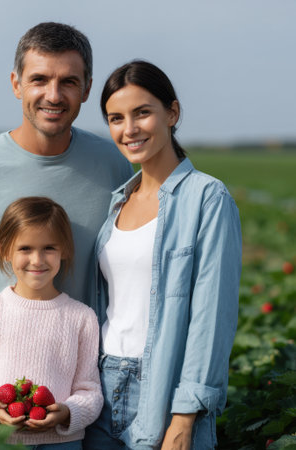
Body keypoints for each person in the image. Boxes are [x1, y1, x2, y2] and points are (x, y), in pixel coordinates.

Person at [0, 22, 133, 376]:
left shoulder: (115, 166)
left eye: (68, 81)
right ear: (16, 84)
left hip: (98, 385)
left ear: (86, 89)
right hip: (4, 389)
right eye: (39, 79)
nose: (53, 95)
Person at [83, 60, 242, 450]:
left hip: (163, 391)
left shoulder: (207, 198)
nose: (129, 129)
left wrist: (185, 414)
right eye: (116, 118)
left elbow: (212, 317)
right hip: (101, 387)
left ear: (172, 113)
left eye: (142, 113)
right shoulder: (117, 203)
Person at [0, 197, 103, 449]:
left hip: (61, 443)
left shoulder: (81, 317)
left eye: (49, 248)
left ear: (65, 250)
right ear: (5, 251)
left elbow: (90, 391)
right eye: (25, 248)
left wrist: (66, 412)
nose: (37, 259)